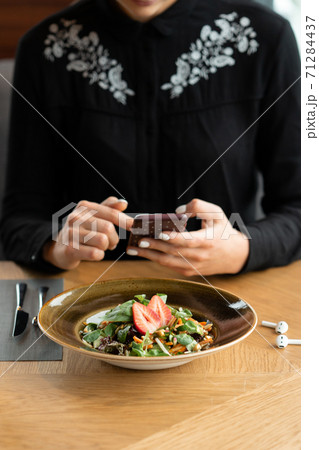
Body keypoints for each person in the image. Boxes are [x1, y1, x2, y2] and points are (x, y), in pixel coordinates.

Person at [0, 0, 301, 276]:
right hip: (86, 300)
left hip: (229, 293)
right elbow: (19, 220)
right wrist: (56, 246)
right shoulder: (46, 48)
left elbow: (302, 210)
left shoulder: (264, 37)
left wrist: (245, 248)